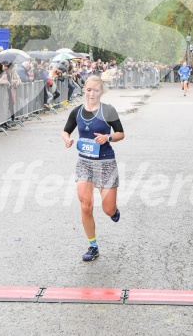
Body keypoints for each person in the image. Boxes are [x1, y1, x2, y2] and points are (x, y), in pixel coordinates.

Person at [62, 75, 125, 262]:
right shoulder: (77, 111)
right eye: (88, 90)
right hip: (85, 163)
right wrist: (66, 138)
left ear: (101, 92)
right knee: (85, 205)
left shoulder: (108, 111)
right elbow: (66, 130)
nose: (91, 93)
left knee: (108, 209)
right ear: (84, 90)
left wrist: (109, 138)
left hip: (106, 163)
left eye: (95, 90)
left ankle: (114, 211)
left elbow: (121, 133)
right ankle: (93, 246)